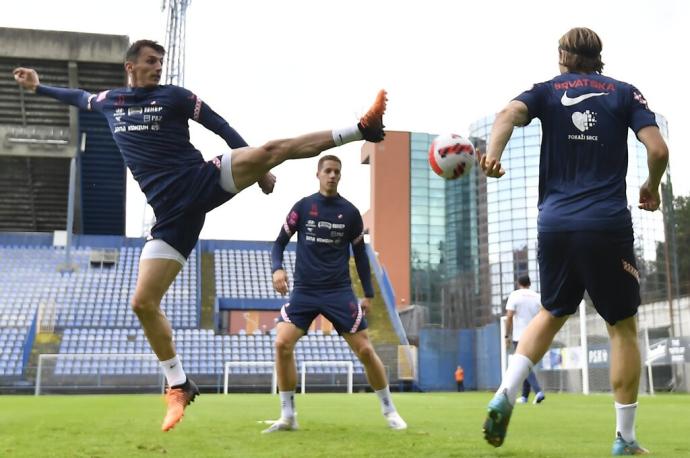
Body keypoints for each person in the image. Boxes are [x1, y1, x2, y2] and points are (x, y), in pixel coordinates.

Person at [13, 39, 388, 432]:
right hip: (172, 216)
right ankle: (178, 384)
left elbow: (220, 125)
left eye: (161, 61)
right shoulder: (110, 101)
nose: (158, 66)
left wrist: (258, 169)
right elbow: (79, 97)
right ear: (130, 66)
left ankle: (361, 128)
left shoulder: (175, 96)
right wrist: (39, 87)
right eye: (150, 61)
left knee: (273, 149)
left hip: (203, 178)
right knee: (142, 302)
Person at [479, 27, 668, 455]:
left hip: (556, 224)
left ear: (563, 56)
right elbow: (657, 150)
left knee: (552, 310)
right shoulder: (624, 93)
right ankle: (625, 438)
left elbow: (506, 113)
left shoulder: (547, 90)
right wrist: (652, 186)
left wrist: (493, 156)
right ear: (599, 57)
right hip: (606, 225)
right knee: (621, 326)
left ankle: (506, 394)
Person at [265, 154, 407, 433]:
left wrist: (368, 294)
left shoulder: (350, 213)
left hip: (338, 291)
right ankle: (288, 415)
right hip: (304, 291)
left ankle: (389, 410)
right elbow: (278, 244)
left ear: (340, 176)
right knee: (282, 344)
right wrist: (277, 269)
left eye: (337, 172)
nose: (332, 175)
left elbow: (362, 256)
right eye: (328, 171)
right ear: (318, 174)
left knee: (365, 350)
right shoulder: (303, 207)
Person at [504, 275, 545, 404]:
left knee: (523, 365)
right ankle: (525, 396)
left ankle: (538, 391)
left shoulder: (515, 295)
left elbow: (509, 316)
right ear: (530, 283)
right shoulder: (537, 296)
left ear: (518, 283)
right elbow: (544, 315)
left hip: (520, 335)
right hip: (535, 334)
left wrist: (507, 336)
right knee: (527, 365)